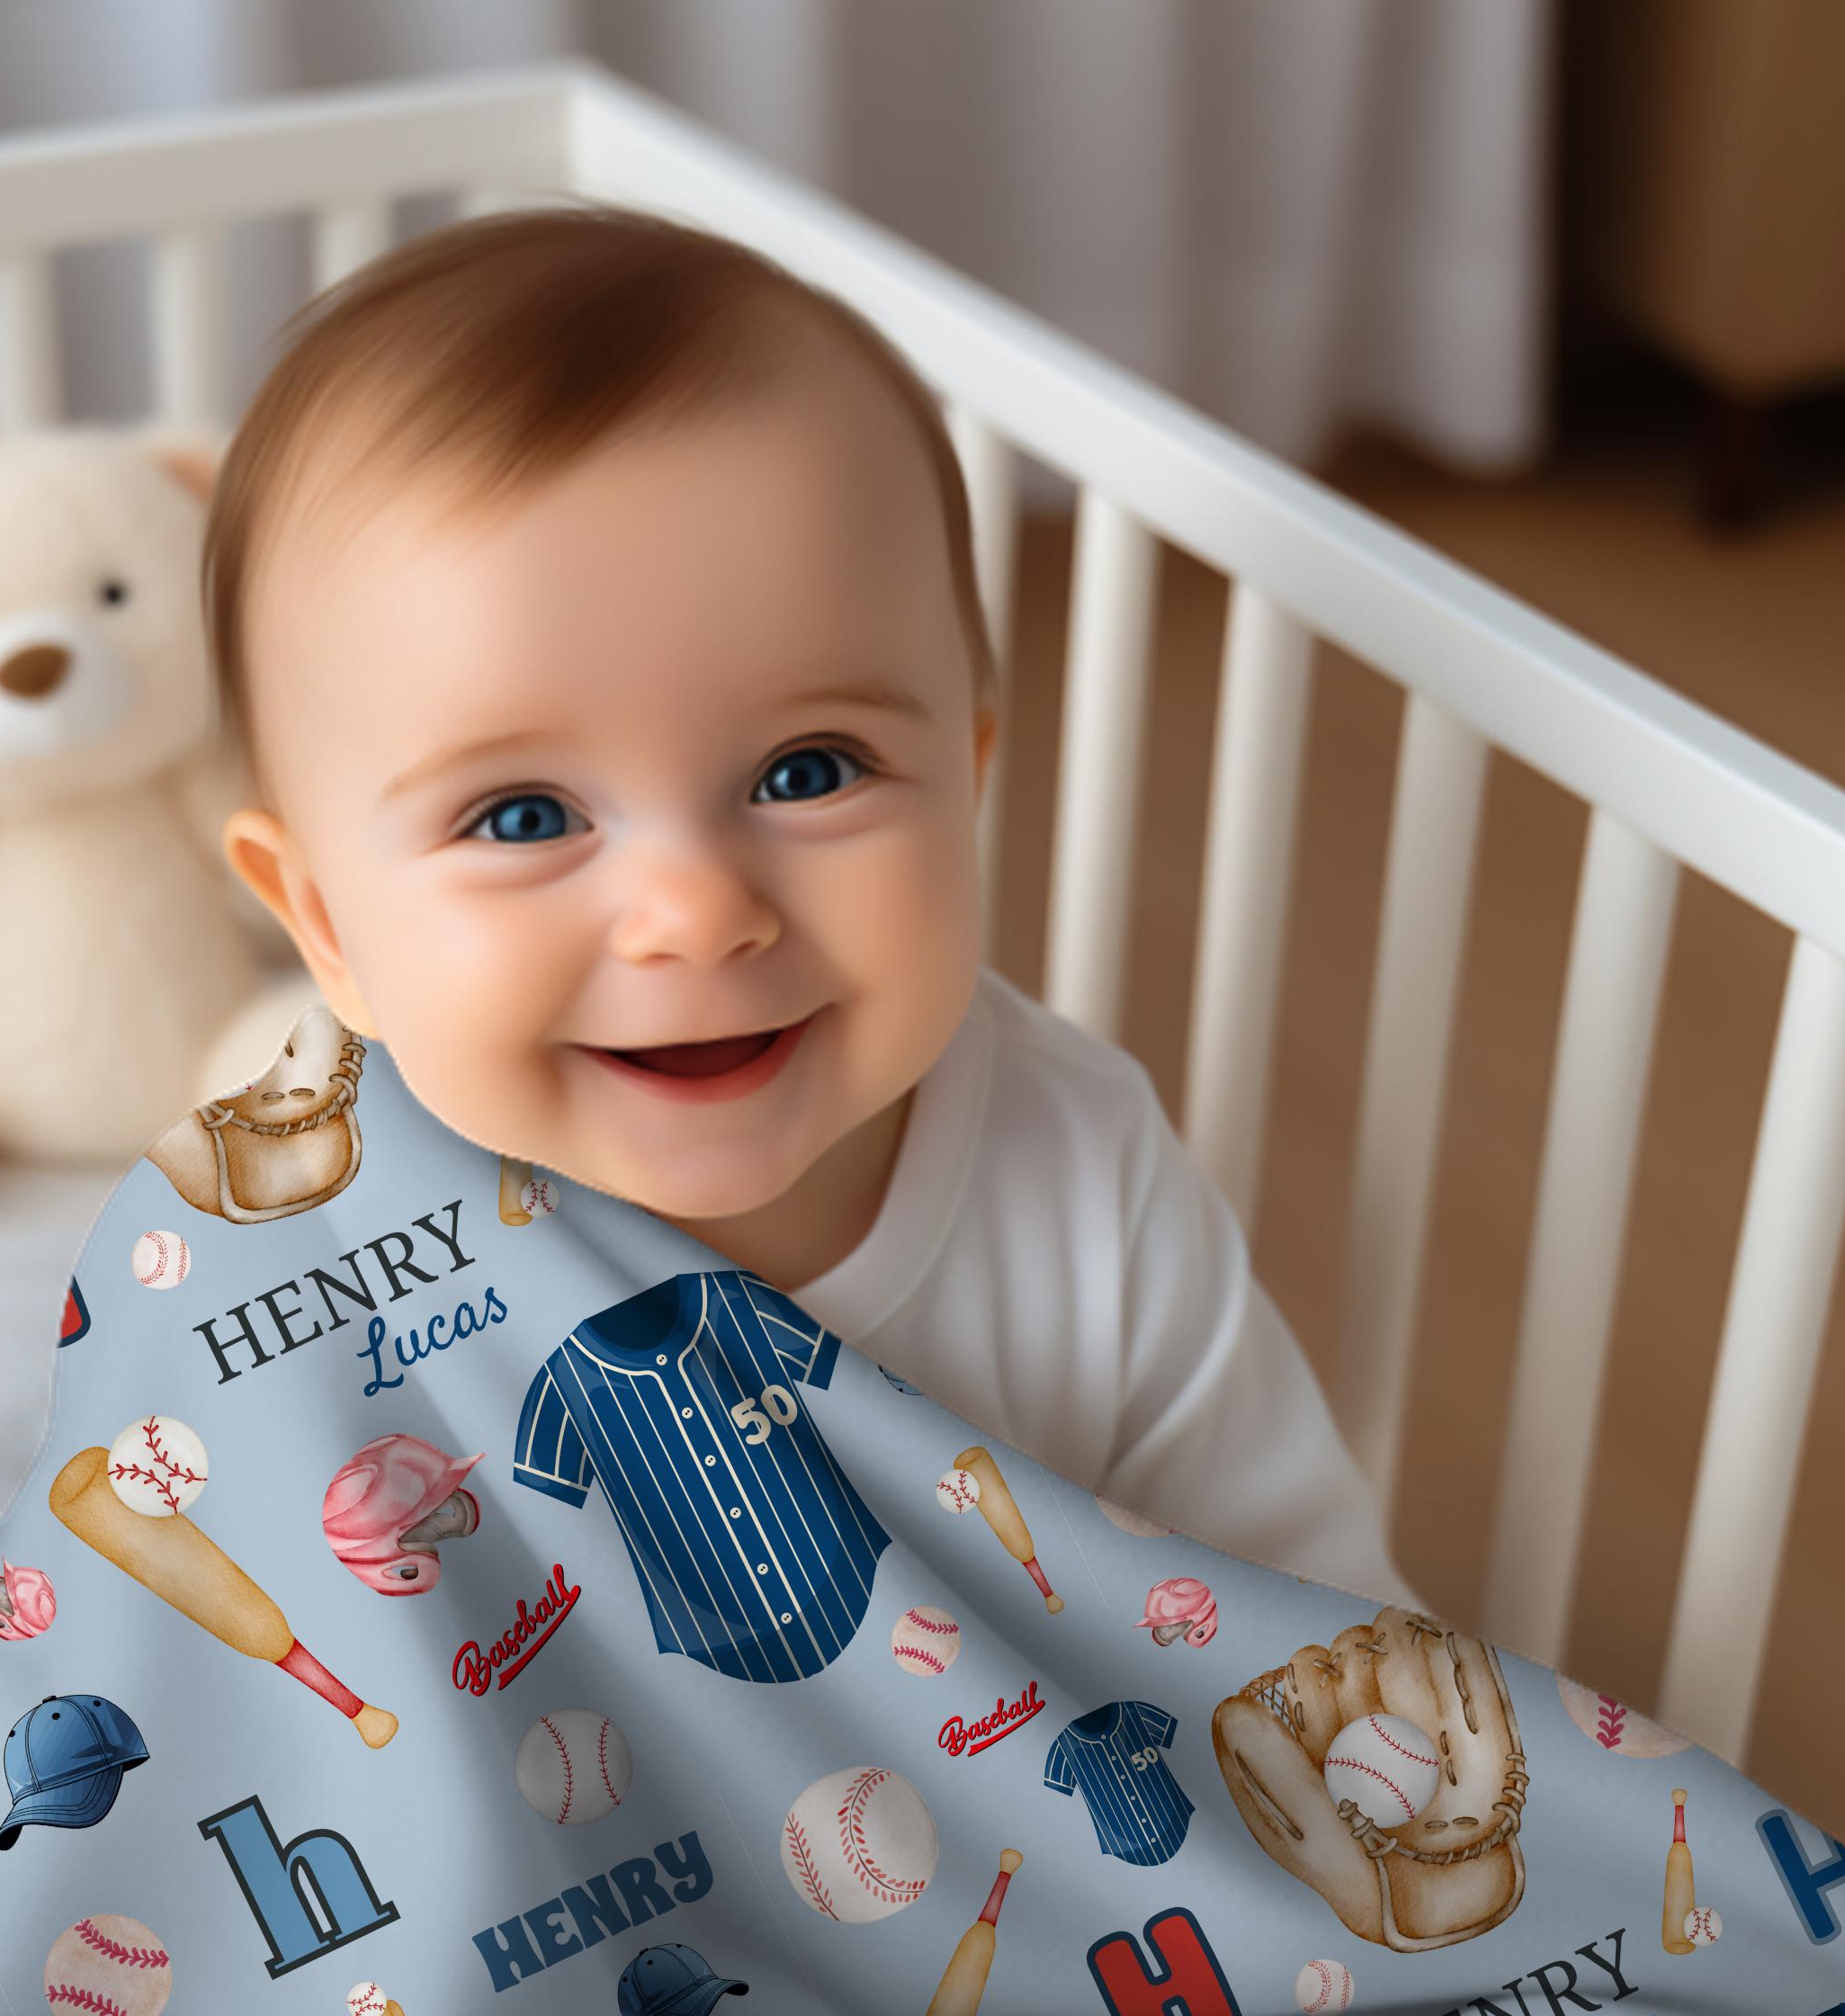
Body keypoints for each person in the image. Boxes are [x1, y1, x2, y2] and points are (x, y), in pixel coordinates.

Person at [209, 202, 1417, 1608]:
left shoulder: (1086, 1184)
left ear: (965, 777)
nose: (696, 914)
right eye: (526, 817)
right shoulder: (318, 1237)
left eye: (808, 770)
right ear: (328, 929)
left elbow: (1319, 1621)